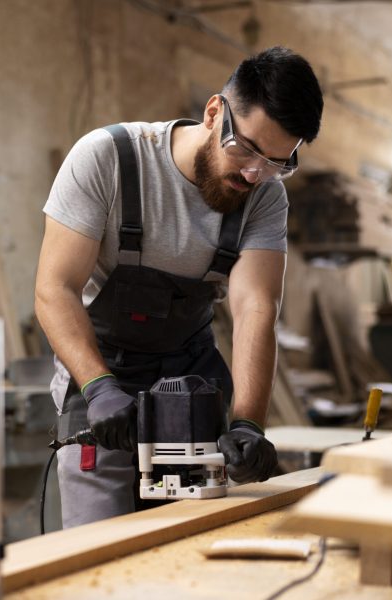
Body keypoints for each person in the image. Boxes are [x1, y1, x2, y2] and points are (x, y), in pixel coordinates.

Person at [34, 46, 324, 528]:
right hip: (100, 375)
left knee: (191, 535)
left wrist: (248, 423)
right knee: (97, 541)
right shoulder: (109, 158)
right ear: (214, 113)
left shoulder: (264, 197)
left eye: (276, 162)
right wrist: (99, 387)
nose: (254, 174)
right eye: (247, 149)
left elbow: (256, 308)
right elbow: (55, 288)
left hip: (190, 383)